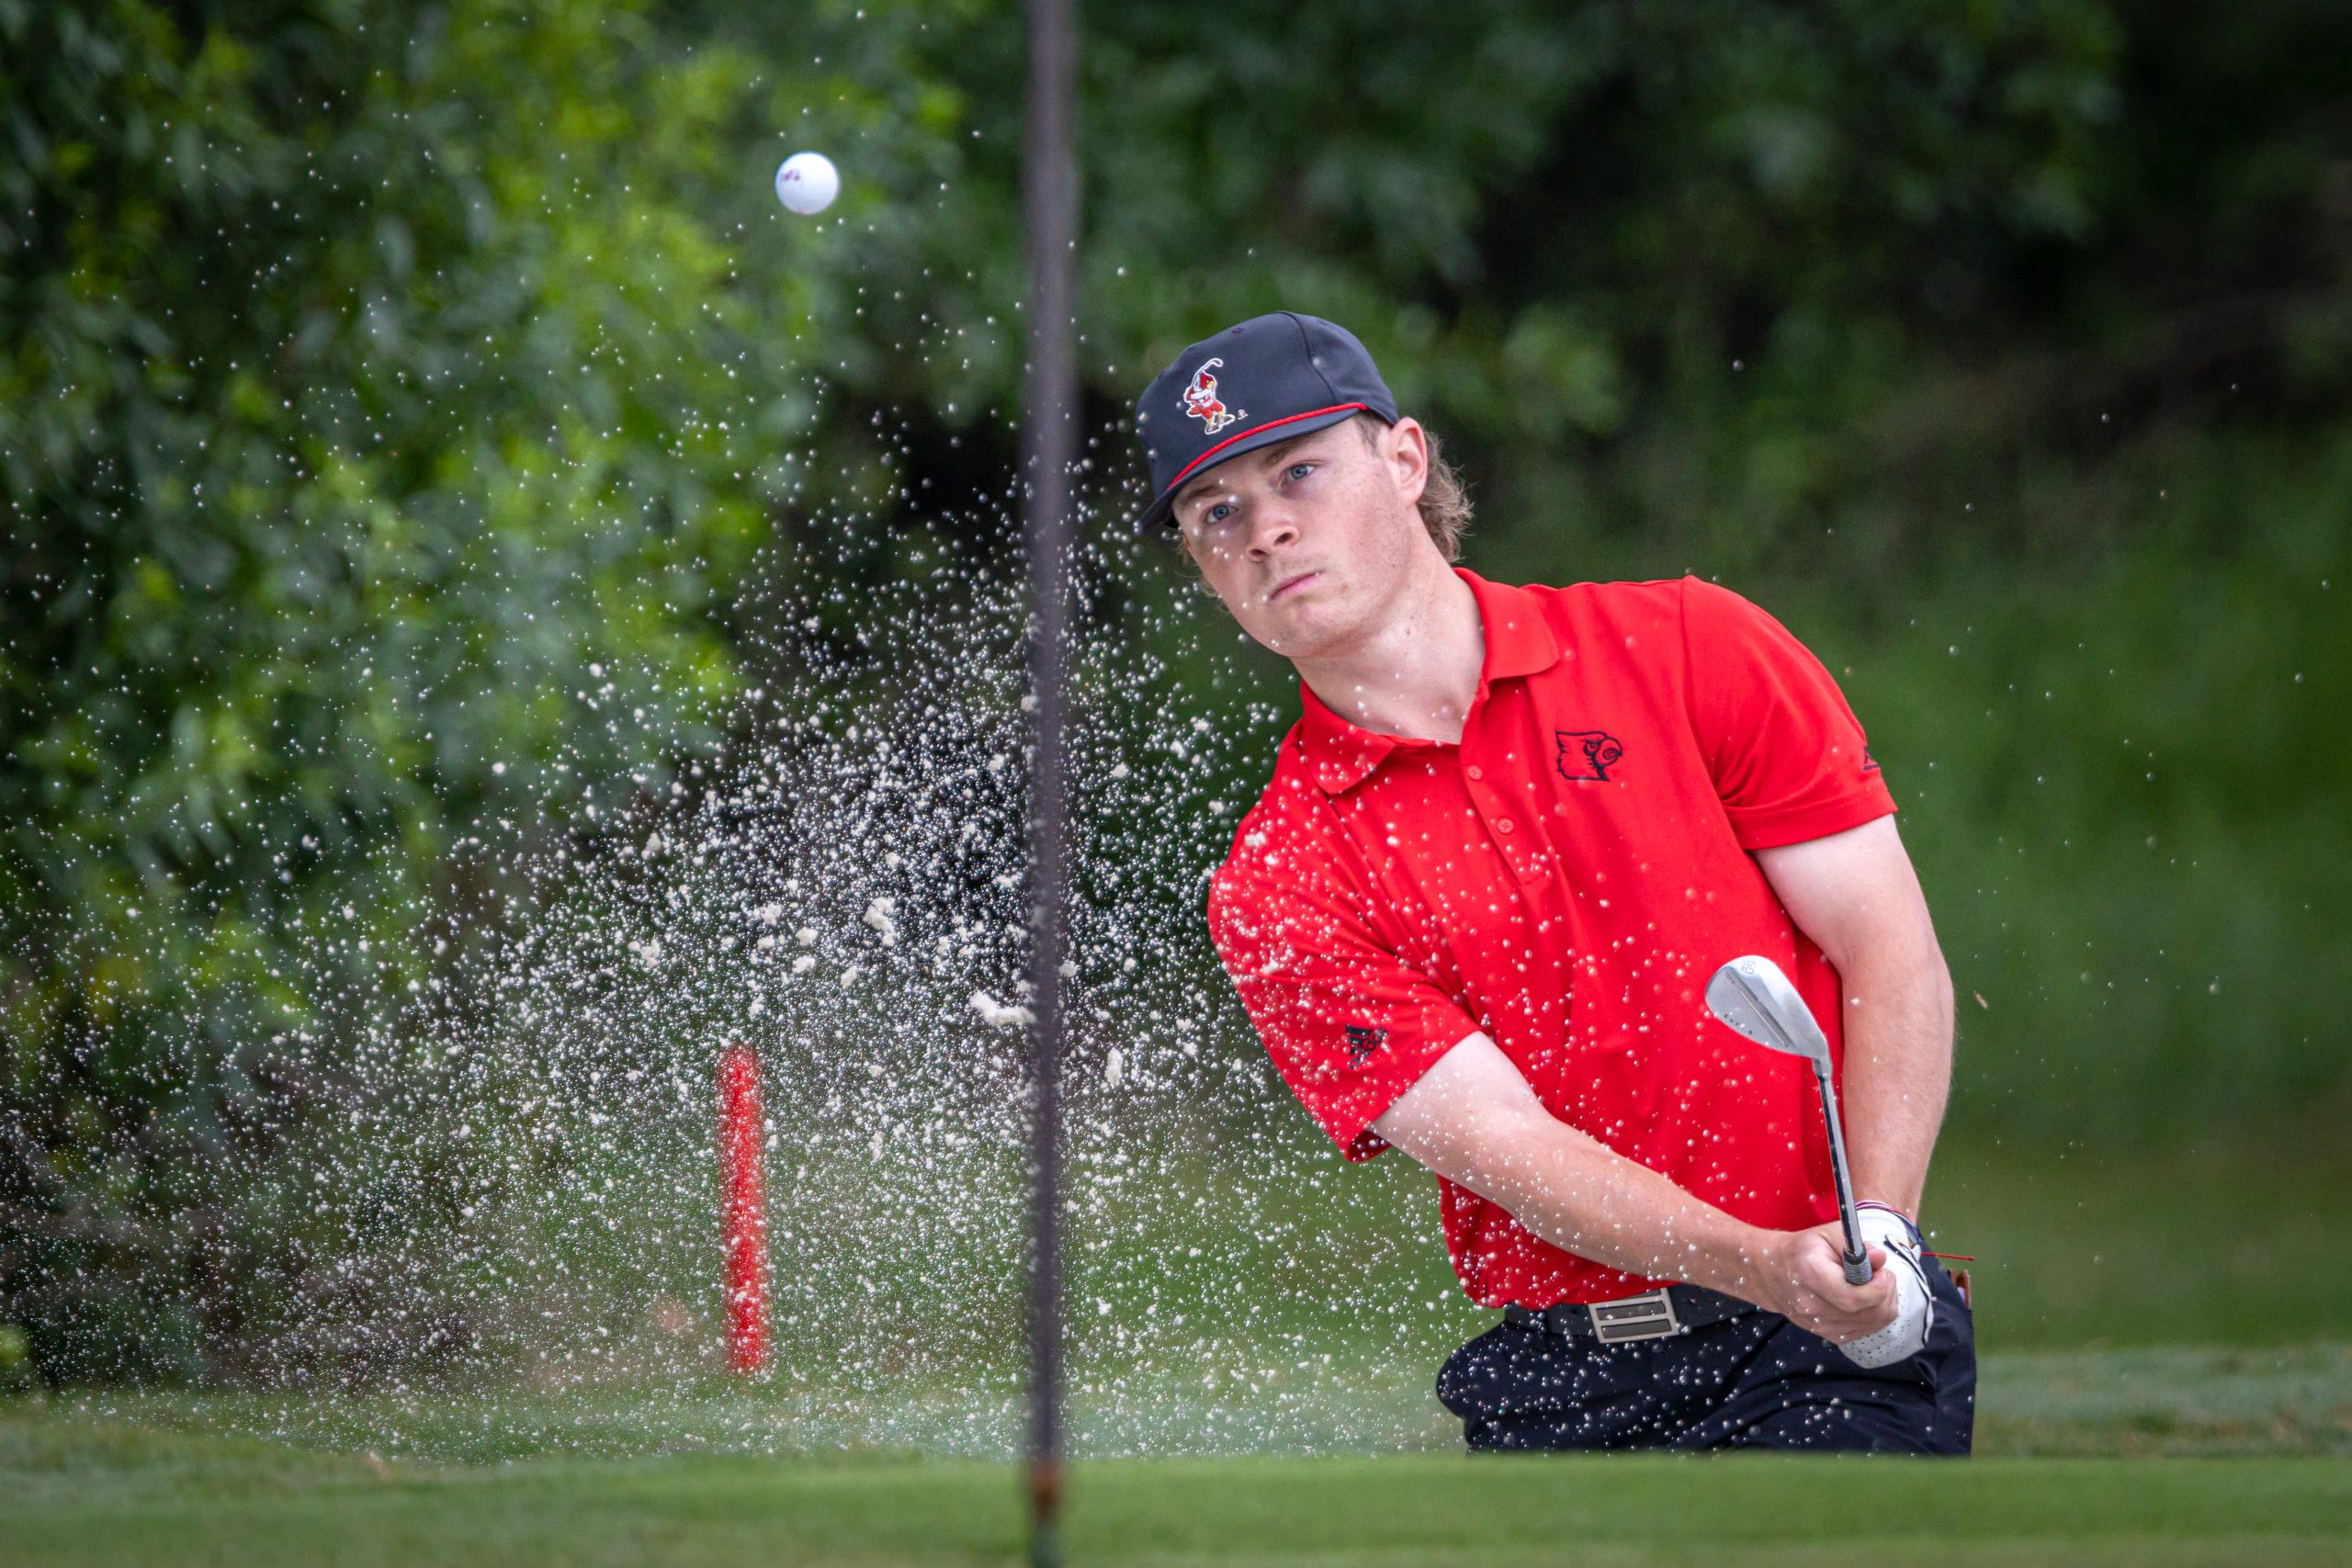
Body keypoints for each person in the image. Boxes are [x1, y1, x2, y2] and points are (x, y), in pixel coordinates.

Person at [1131, 312, 1974, 1453]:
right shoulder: (1276, 882)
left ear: (1404, 458)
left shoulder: (1688, 645)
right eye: (1216, 512)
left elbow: (1889, 951)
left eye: (1298, 471)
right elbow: (1504, 1147)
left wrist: (1877, 1234)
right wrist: (1765, 1266)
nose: (1268, 528)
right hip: (1566, 1383)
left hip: (1834, 1346)